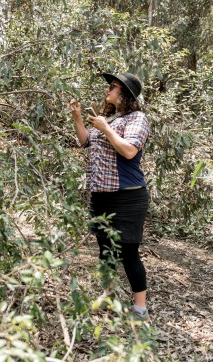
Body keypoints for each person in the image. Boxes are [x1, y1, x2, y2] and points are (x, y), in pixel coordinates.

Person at [69, 72, 150, 321]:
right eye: (110, 86)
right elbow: (85, 142)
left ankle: (140, 308)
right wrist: (78, 118)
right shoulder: (112, 118)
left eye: (113, 87)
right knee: (105, 249)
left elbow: (128, 151)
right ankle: (108, 295)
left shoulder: (137, 118)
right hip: (101, 194)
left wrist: (105, 128)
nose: (108, 90)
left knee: (128, 252)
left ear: (125, 94)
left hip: (127, 197)